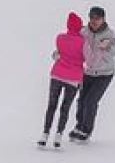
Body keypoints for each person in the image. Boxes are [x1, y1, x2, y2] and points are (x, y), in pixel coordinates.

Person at [70, 6, 115, 143]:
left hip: (105, 74)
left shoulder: (110, 35)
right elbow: (71, 43)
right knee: (81, 100)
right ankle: (79, 127)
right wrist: (59, 53)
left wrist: (109, 47)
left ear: (103, 19)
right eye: (92, 18)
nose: (94, 21)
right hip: (88, 72)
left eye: (98, 18)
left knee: (91, 101)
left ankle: (86, 131)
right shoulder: (83, 32)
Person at [40, 13, 86, 148]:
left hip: (57, 75)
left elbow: (57, 54)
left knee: (51, 106)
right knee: (65, 108)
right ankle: (58, 136)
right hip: (73, 79)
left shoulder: (59, 38)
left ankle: (45, 134)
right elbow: (85, 58)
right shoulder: (83, 42)